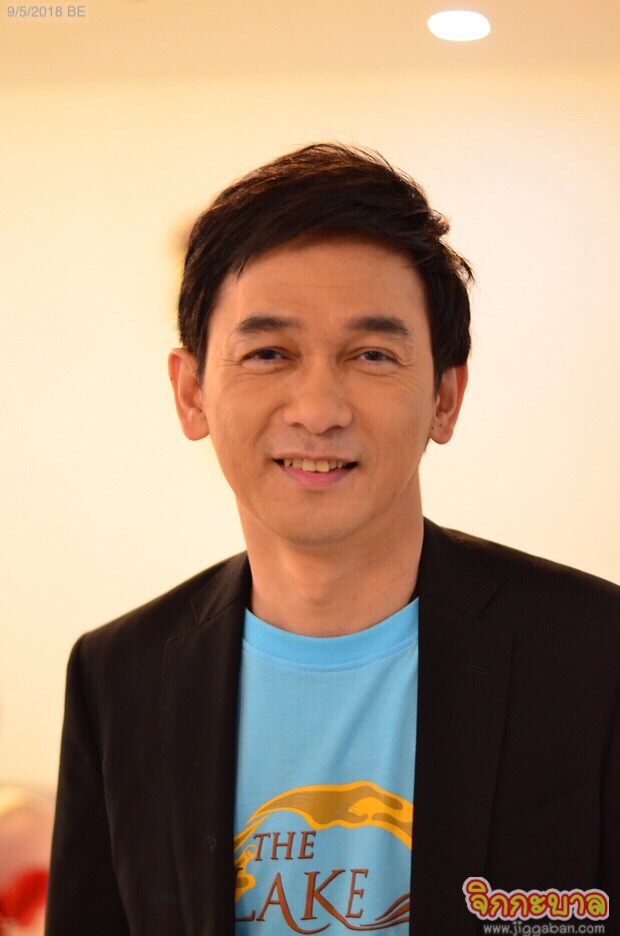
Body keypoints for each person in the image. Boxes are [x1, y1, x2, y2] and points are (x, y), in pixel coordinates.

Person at [45, 143, 619, 936]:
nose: (318, 409)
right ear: (191, 392)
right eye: (268, 353)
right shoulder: (118, 679)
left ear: (446, 397)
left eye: (372, 355)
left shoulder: (595, 655)